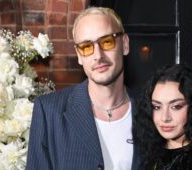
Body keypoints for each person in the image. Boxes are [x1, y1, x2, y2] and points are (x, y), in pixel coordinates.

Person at [26, 7, 140, 170]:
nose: (98, 55)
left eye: (107, 41)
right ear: (79, 55)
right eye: (87, 47)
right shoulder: (49, 111)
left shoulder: (151, 110)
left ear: (125, 44)